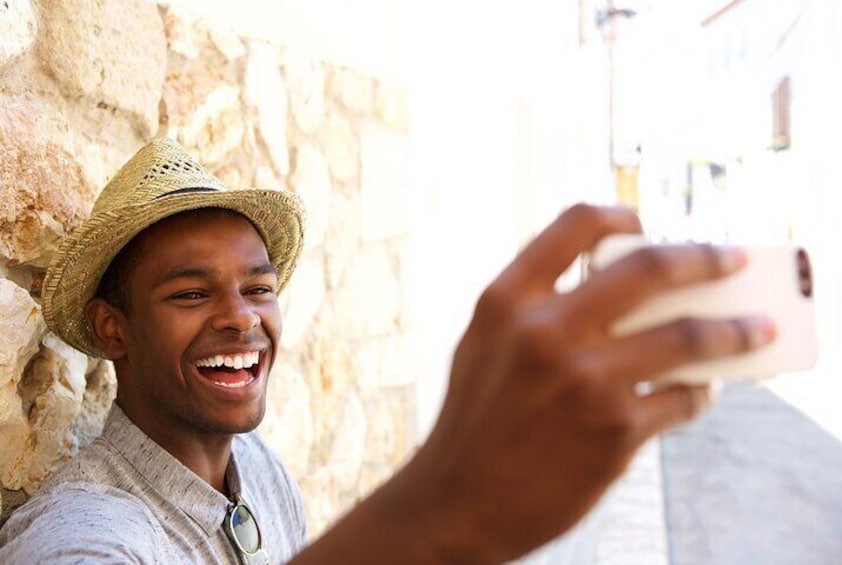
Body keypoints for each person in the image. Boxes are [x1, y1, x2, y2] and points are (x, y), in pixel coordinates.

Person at [0, 138, 775, 564]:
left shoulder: (259, 468)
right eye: (191, 294)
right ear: (112, 329)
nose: (241, 319)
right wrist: (444, 504)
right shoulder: (85, 529)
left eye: (259, 287)